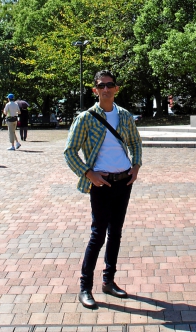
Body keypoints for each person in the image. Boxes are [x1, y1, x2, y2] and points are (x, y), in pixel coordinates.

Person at [64, 70, 143, 310]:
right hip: (101, 183)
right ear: (95, 90)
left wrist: (136, 166)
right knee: (98, 234)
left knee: (116, 232)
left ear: (116, 88)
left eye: (110, 85)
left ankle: (109, 281)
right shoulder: (86, 118)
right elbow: (70, 151)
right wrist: (88, 173)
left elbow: (135, 142)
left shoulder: (125, 116)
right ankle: (85, 287)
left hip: (123, 181)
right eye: (101, 85)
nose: (106, 89)